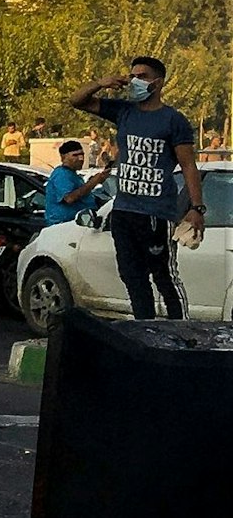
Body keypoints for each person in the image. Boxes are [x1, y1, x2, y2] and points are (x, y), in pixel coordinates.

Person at [70, 55, 205, 321]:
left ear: (158, 82)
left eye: (141, 76)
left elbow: (189, 166)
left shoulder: (173, 120)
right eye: (132, 76)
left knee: (164, 275)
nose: (135, 81)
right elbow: (77, 101)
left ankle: (180, 332)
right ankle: (145, 328)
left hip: (156, 213)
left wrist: (196, 208)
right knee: (132, 276)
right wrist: (101, 82)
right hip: (124, 211)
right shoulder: (123, 111)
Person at [45, 139, 110, 225]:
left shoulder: (73, 175)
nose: (81, 159)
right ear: (63, 157)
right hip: (64, 226)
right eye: (75, 155)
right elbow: (70, 198)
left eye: (82, 154)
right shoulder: (61, 174)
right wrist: (93, 182)